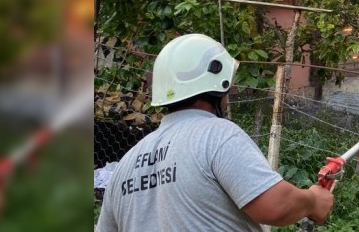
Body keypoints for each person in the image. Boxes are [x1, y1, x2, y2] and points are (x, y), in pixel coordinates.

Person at [95, 34, 334, 231]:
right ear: (217, 86)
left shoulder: (127, 163)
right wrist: (313, 200)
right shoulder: (215, 135)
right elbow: (276, 206)